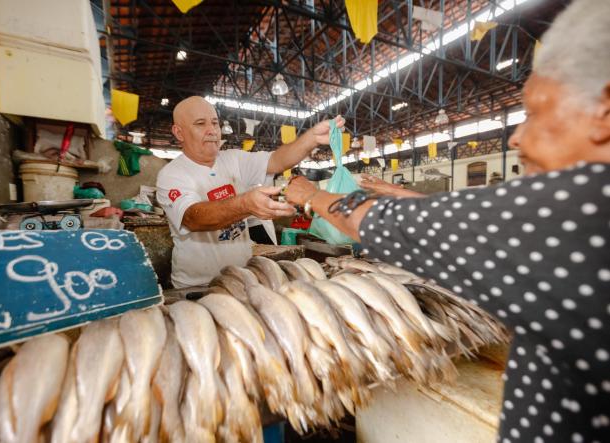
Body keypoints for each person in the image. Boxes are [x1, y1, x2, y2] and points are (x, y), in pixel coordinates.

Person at [284, 1, 610, 441]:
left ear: (603, 112)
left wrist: (310, 195)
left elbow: (392, 225)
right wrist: (394, 191)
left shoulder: (582, 210)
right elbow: (471, 212)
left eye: (534, 113)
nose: (516, 136)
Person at [156, 96, 344, 288]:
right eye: (200, 124)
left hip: (243, 278)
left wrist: (311, 138)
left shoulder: (233, 159)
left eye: (214, 122)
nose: (212, 130)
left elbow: (277, 160)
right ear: (179, 132)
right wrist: (245, 204)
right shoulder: (172, 175)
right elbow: (193, 218)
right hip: (199, 285)